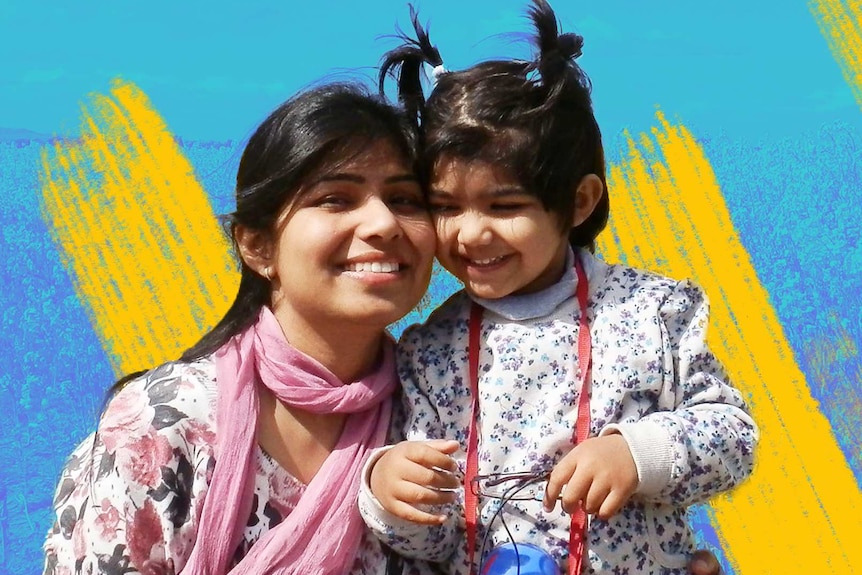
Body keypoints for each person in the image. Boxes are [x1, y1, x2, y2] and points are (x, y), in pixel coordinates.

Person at [358, 2, 758, 574]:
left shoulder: (652, 313)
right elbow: (432, 545)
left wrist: (636, 453)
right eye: (445, 207)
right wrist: (390, 492)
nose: (471, 233)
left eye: (505, 205)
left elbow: (734, 438)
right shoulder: (428, 353)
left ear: (579, 201)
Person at [42, 82, 437, 575]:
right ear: (257, 247)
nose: (383, 223)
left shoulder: (436, 411)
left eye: (404, 199)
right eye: (336, 199)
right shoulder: (167, 421)